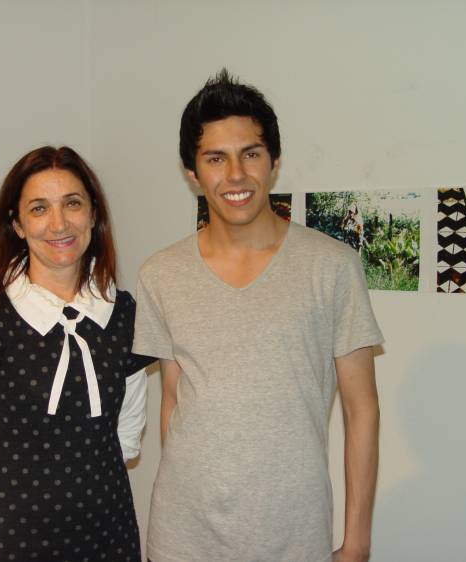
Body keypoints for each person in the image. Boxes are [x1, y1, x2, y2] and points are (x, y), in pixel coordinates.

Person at [134, 70, 384, 562]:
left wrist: (357, 542)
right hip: (182, 538)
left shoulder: (332, 267)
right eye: (215, 158)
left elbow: (363, 410)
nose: (235, 175)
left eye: (250, 154)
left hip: (293, 536)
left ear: (273, 162)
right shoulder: (160, 274)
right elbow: (173, 401)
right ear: (192, 173)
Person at [0, 146, 152, 562]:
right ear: (17, 224)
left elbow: (126, 439)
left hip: (110, 535)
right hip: (14, 540)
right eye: (39, 208)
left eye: (72, 203)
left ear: (93, 214)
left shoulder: (124, 314)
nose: (59, 224)